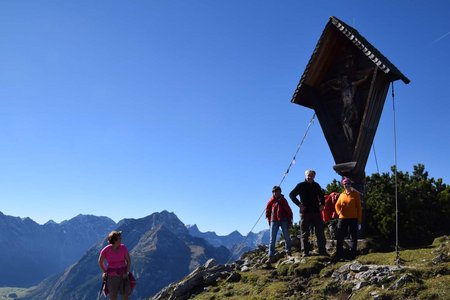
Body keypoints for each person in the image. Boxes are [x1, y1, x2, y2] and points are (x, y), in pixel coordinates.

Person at [289, 170, 328, 256]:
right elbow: (291, 195)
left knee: (320, 232)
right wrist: (299, 204)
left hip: (316, 211)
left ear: (314, 176)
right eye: (308, 175)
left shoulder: (316, 185)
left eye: (312, 176)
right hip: (305, 212)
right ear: (305, 175)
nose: (310, 177)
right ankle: (305, 252)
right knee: (304, 233)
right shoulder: (301, 185)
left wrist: (322, 204)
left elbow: (321, 196)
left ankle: (322, 251)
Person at [334, 177, 362, 261]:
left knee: (353, 237)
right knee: (340, 237)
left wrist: (359, 221)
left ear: (350, 184)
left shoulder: (355, 194)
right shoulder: (341, 195)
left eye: (348, 184)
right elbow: (337, 205)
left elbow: (359, 208)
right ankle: (339, 255)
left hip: (353, 219)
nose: (347, 185)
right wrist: (338, 212)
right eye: (345, 184)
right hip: (342, 219)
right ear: (343, 185)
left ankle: (352, 256)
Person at [98, 230, 132, 300]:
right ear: (115, 240)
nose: (121, 240)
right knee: (113, 297)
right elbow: (100, 261)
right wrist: (105, 271)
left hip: (123, 275)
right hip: (111, 276)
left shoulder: (123, 248)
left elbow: (128, 261)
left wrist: (127, 272)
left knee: (125, 295)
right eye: (119, 238)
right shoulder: (106, 250)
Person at [265, 186, 293, 260]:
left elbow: (289, 210)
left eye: (277, 191)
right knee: (272, 239)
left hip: (283, 219)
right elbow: (268, 211)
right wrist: (269, 221)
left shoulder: (283, 200)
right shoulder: (271, 201)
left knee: (286, 236)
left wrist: (290, 220)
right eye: (274, 192)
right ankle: (271, 255)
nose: (275, 193)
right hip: (274, 220)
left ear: (280, 192)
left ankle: (288, 251)